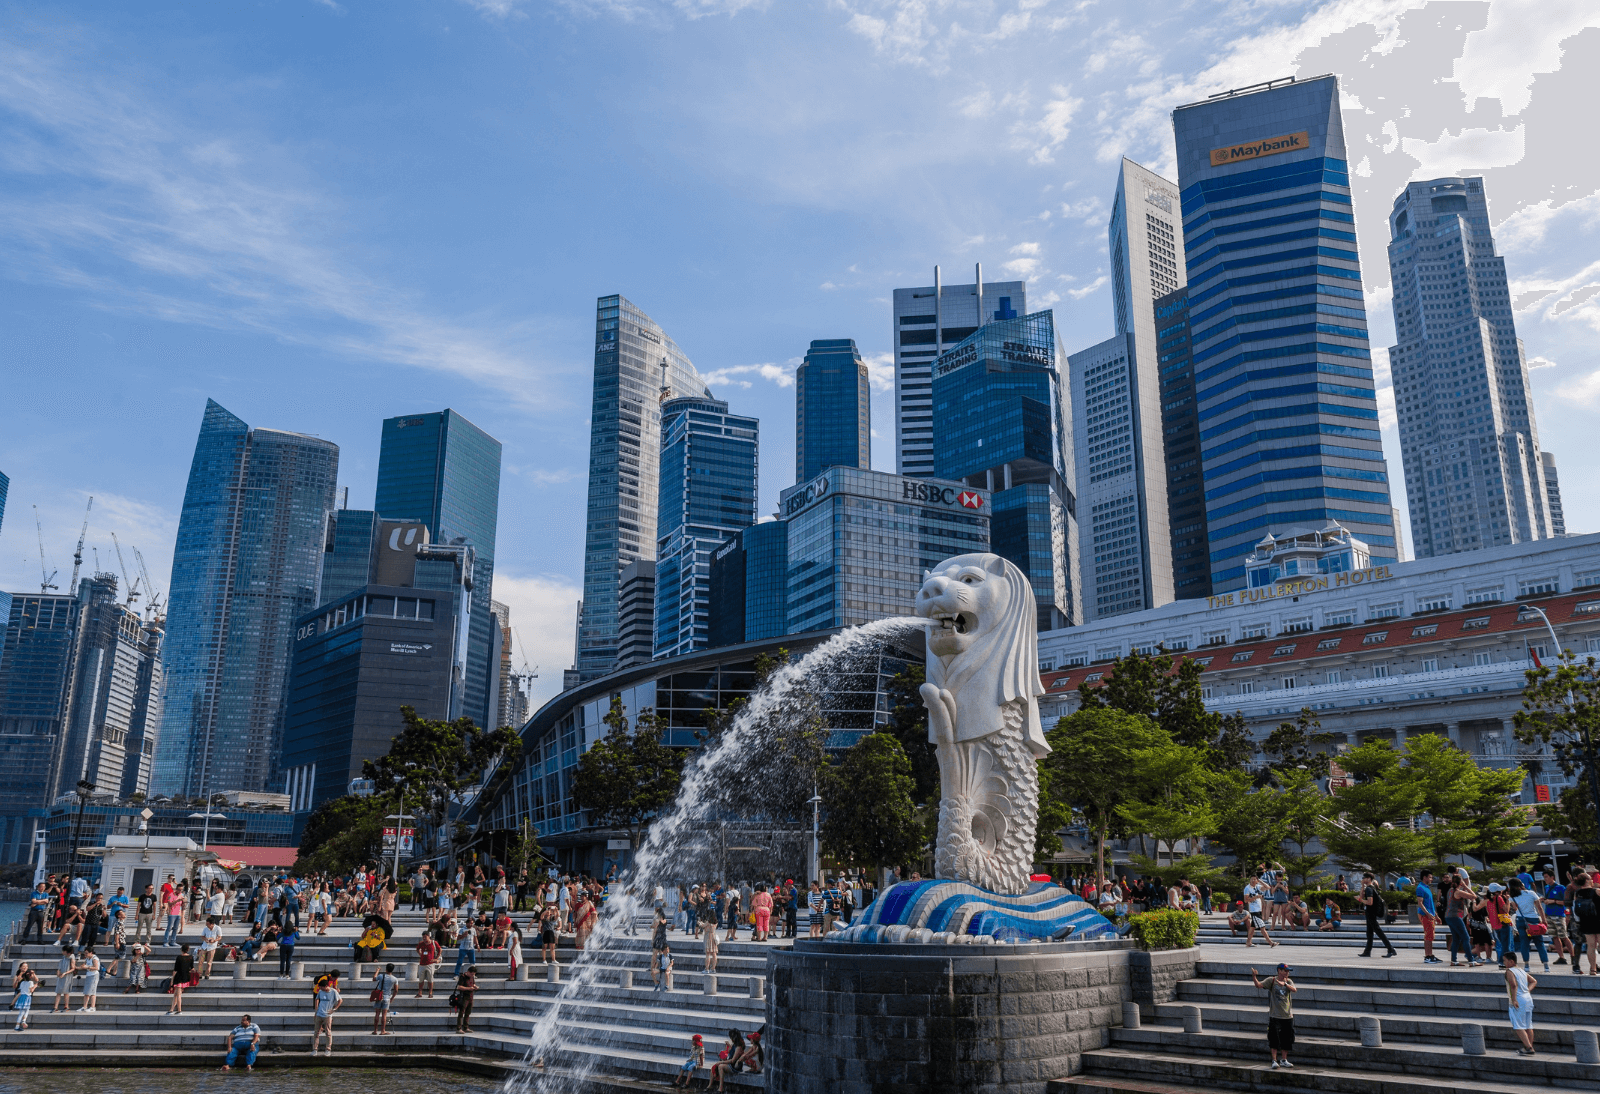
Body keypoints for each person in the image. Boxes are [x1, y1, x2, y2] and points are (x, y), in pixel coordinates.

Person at [1250, 963, 1296, 1069]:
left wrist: (1285, 984)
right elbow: (1258, 985)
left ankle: (1284, 1060)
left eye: (1288, 971)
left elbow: (1294, 989)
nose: (1287, 973)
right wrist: (1254, 977)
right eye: (1285, 971)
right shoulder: (1272, 980)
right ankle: (1274, 1060)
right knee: (1274, 1038)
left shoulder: (1288, 981)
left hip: (1287, 1016)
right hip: (1275, 1016)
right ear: (1279, 971)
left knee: (1287, 1039)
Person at [1508, 877, 1550, 973]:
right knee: (1539, 942)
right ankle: (1546, 965)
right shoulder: (1531, 893)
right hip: (1533, 919)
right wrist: (1544, 920)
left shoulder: (1512, 897)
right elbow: (1539, 908)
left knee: (1524, 943)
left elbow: (1515, 909)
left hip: (1520, 920)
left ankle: (1526, 965)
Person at [1356, 872, 1397, 958]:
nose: (1362, 879)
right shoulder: (1369, 888)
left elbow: (1369, 902)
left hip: (1371, 912)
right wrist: (1362, 887)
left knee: (1378, 931)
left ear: (1369, 879)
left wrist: (1360, 900)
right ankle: (1367, 951)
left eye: (1364, 878)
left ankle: (1390, 949)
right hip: (1370, 912)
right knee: (1370, 932)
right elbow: (1362, 895)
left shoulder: (1369, 889)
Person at [1504, 951, 1537, 1055]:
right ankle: (1529, 1047)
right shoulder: (1521, 970)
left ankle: (1528, 1048)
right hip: (1527, 998)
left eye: (1504, 961)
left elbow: (1513, 985)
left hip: (1518, 999)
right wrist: (1527, 991)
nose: (1503, 963)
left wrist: (1514, 999)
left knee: (1518, 1026)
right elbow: (1534, 981)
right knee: (1528, 1025)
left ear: (1511, 961)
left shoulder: (1510, 971)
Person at [1569, 869, 1600, 975]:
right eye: (1590, 878)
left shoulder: (1577, 893)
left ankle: (1593, 969)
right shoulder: (1596, 891)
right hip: (1598, 920)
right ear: (1587, 880)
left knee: (1591, 946)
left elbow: (1575, 909)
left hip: (1585, 922)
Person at [1540, 867, 1571, 967]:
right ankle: (1561, 957)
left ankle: (1573, 956)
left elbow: (1566, 902)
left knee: (1564, 937)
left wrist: (1553, 901)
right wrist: (1544, 900)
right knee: (1555, 937)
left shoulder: (1560, 887)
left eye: (1546, 877)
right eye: (1544, 877)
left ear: (1552, 877)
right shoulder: (1546, 888)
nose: (1545, 879)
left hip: (1559, 915)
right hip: (1549, 914)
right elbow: (1547, 899)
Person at [313, 973, 342, 1055]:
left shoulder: (333, 992)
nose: (320, 989)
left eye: (321, 987)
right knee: (316, 1032)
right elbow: (317, 998)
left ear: (326, 986)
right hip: (319, 1014)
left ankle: (328, 1049)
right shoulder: (320, 992)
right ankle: (315, 1049)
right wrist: (316, 1009)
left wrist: (334, 1009)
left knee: (328, 1033)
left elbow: (340, 1000)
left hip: (328, 1015)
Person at [1415, 870, 1440, 964]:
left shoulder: (1427, 887)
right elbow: (1420, 903)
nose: (1431, 879)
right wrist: (1428, 914)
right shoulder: (1420, 888)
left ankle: (1430, 955)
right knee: (1428, 935)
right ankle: (1428, 956)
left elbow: (1430, 904)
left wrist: (1436, 915)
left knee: (1431, 935)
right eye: (1430, 877)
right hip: (1425, 914)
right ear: (1424, 877)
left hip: (1430, 914)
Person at [371, 962, 399, 1035]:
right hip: (387, 997)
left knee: (377, 1013)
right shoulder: (395, 979)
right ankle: (383, 1030)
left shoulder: (381, 976)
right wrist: (392, 998)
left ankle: (375, 1030)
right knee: (384, 1014)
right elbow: (396, 990)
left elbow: (374, 979)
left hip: (379, 997)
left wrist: (377, 971)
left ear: (386, 969)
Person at [167, 943, 195, 1015]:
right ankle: (172, 1009)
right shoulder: (191, 957)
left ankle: (179, 1010)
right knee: (176, 994)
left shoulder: (179, 957)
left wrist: (172, 980)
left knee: (178, 994)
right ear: (188, 950)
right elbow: (192, 968)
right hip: (185, 977)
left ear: (181, 950)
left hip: (179, 977)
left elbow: (175, 970)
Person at [414, 932, 441, 999]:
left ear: (429, 936)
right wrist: (420, 954)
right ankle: (420, 992)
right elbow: (417, 949)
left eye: (425, 937)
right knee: (421, 979)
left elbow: (440, 950)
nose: (424, 938)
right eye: (423, 937)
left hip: (430, 964)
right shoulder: (421, 943)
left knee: (430, 979)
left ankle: (430, 993)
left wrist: (436, 958)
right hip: (422, 963)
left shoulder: (434, 943)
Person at [53, 944, 78, 1013]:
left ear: (67, 952)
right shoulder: (64, 957)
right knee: (58, 991)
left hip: (67, 977)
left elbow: (73, 968)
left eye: (63, 951)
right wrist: (58, 971)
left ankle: (66, 1006)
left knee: (66, 992)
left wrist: (65, 973)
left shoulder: (71, 958)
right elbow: (60, 965)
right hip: (61, 976)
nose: (62, 952)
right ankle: (55, 1007)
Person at [11, 964, 37, 1031]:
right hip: (27, 998)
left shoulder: (22, 983)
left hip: (22, 997)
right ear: (30, 977)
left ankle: (23, 1021)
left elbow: (20, 989)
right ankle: (17, 1026)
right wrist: (35, 986)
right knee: (23, 1011)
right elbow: (31, 991)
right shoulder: (31, 982)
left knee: (25, 1010)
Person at [454, 964, 478, 1033]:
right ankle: (458, 1028)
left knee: (468, 1013)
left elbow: (473, 984)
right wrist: (469, 988)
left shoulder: (472, 977)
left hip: (470, 997)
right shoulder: (463, 977)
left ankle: (465, 1027)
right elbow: (459, 987)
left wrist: (475, 987)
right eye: (471, 974)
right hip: (464, 997)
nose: (472, 975)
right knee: (461, 1013)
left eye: (473, 974)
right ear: (468, 972)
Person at [79, 947, 101, 1012]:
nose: (85, 954)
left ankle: (92, 1007)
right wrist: (77, 967)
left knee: (92, 992)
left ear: (91, 953)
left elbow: (97, 968)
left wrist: (87, 967)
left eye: (86, 953)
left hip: (94, 976)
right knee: (86, 992)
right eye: (84, 953)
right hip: (88, 975)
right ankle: (84, 1007)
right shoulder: (87, 958)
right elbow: (84, 966)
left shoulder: (94, 959)